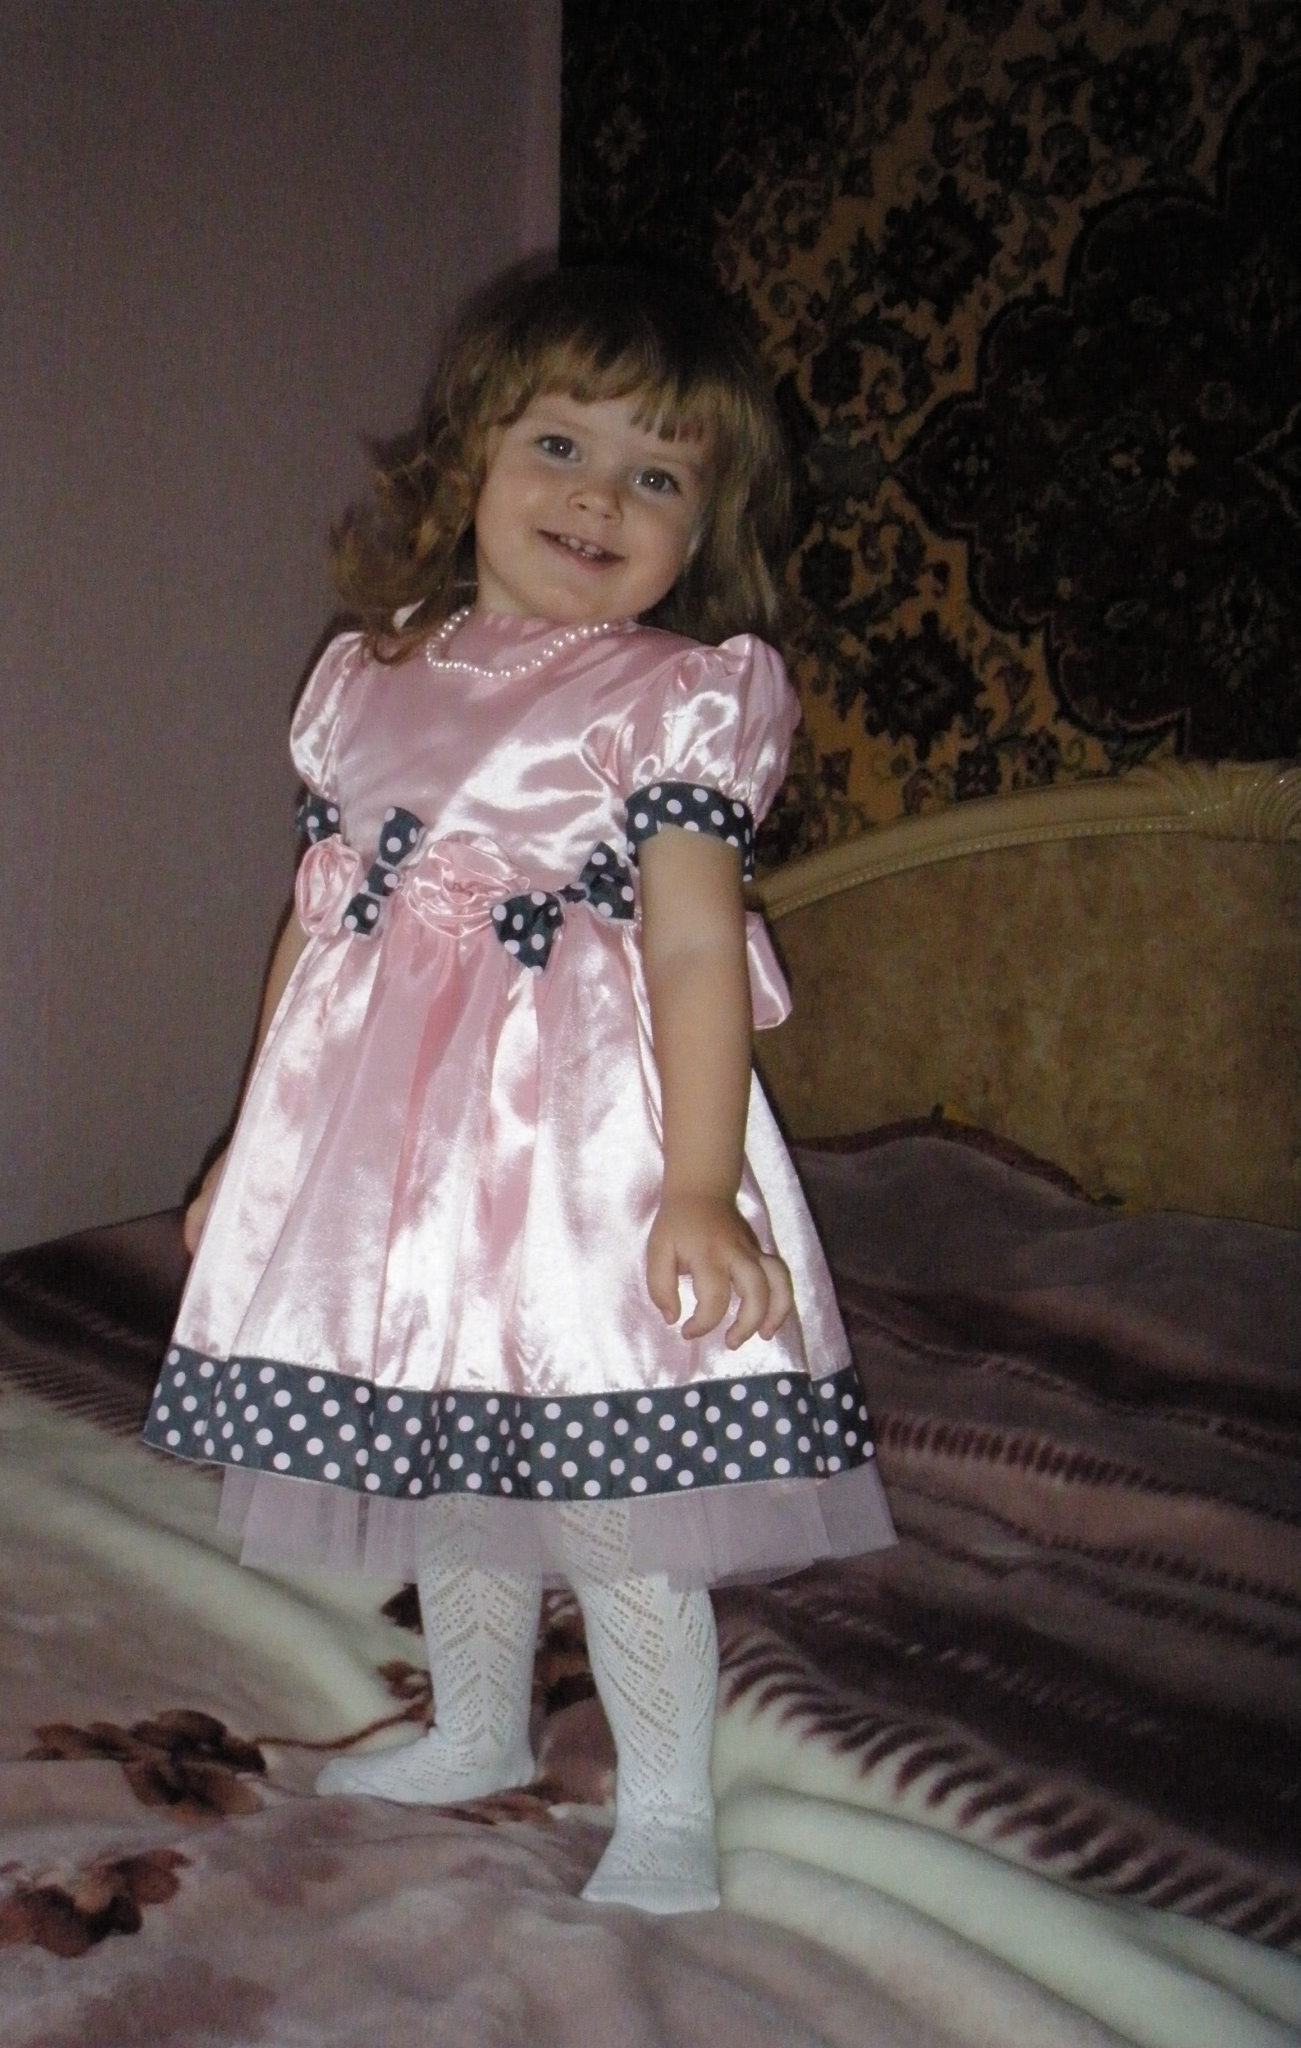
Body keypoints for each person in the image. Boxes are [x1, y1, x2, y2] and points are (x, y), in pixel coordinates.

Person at [143, 266, 893, 1914]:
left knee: (616, 1496)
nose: (598, 497)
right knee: (450, 1458)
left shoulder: (672, 700)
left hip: (580, 1153)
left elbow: (692, 952)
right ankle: (477, 1727)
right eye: (560, 443)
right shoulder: (369, 679)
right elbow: (320, 931)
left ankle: (670, 1805)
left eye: (657, 474)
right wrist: (254, 1151)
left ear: (702, 527)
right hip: (396, 1166)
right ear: (469, 455)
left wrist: (701, 1184)